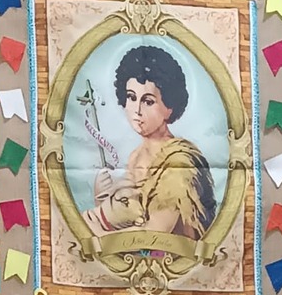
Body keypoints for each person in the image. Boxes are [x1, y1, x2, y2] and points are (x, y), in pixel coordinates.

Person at [93, 44, 217, 240]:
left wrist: (97, 235)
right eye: (131, 97)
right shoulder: (136, 156)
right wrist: (103, 200)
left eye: (148, 101)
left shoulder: (180, 160)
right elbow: (132, 218)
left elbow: (156, 232)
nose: (137, 110)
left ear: (169, 106)